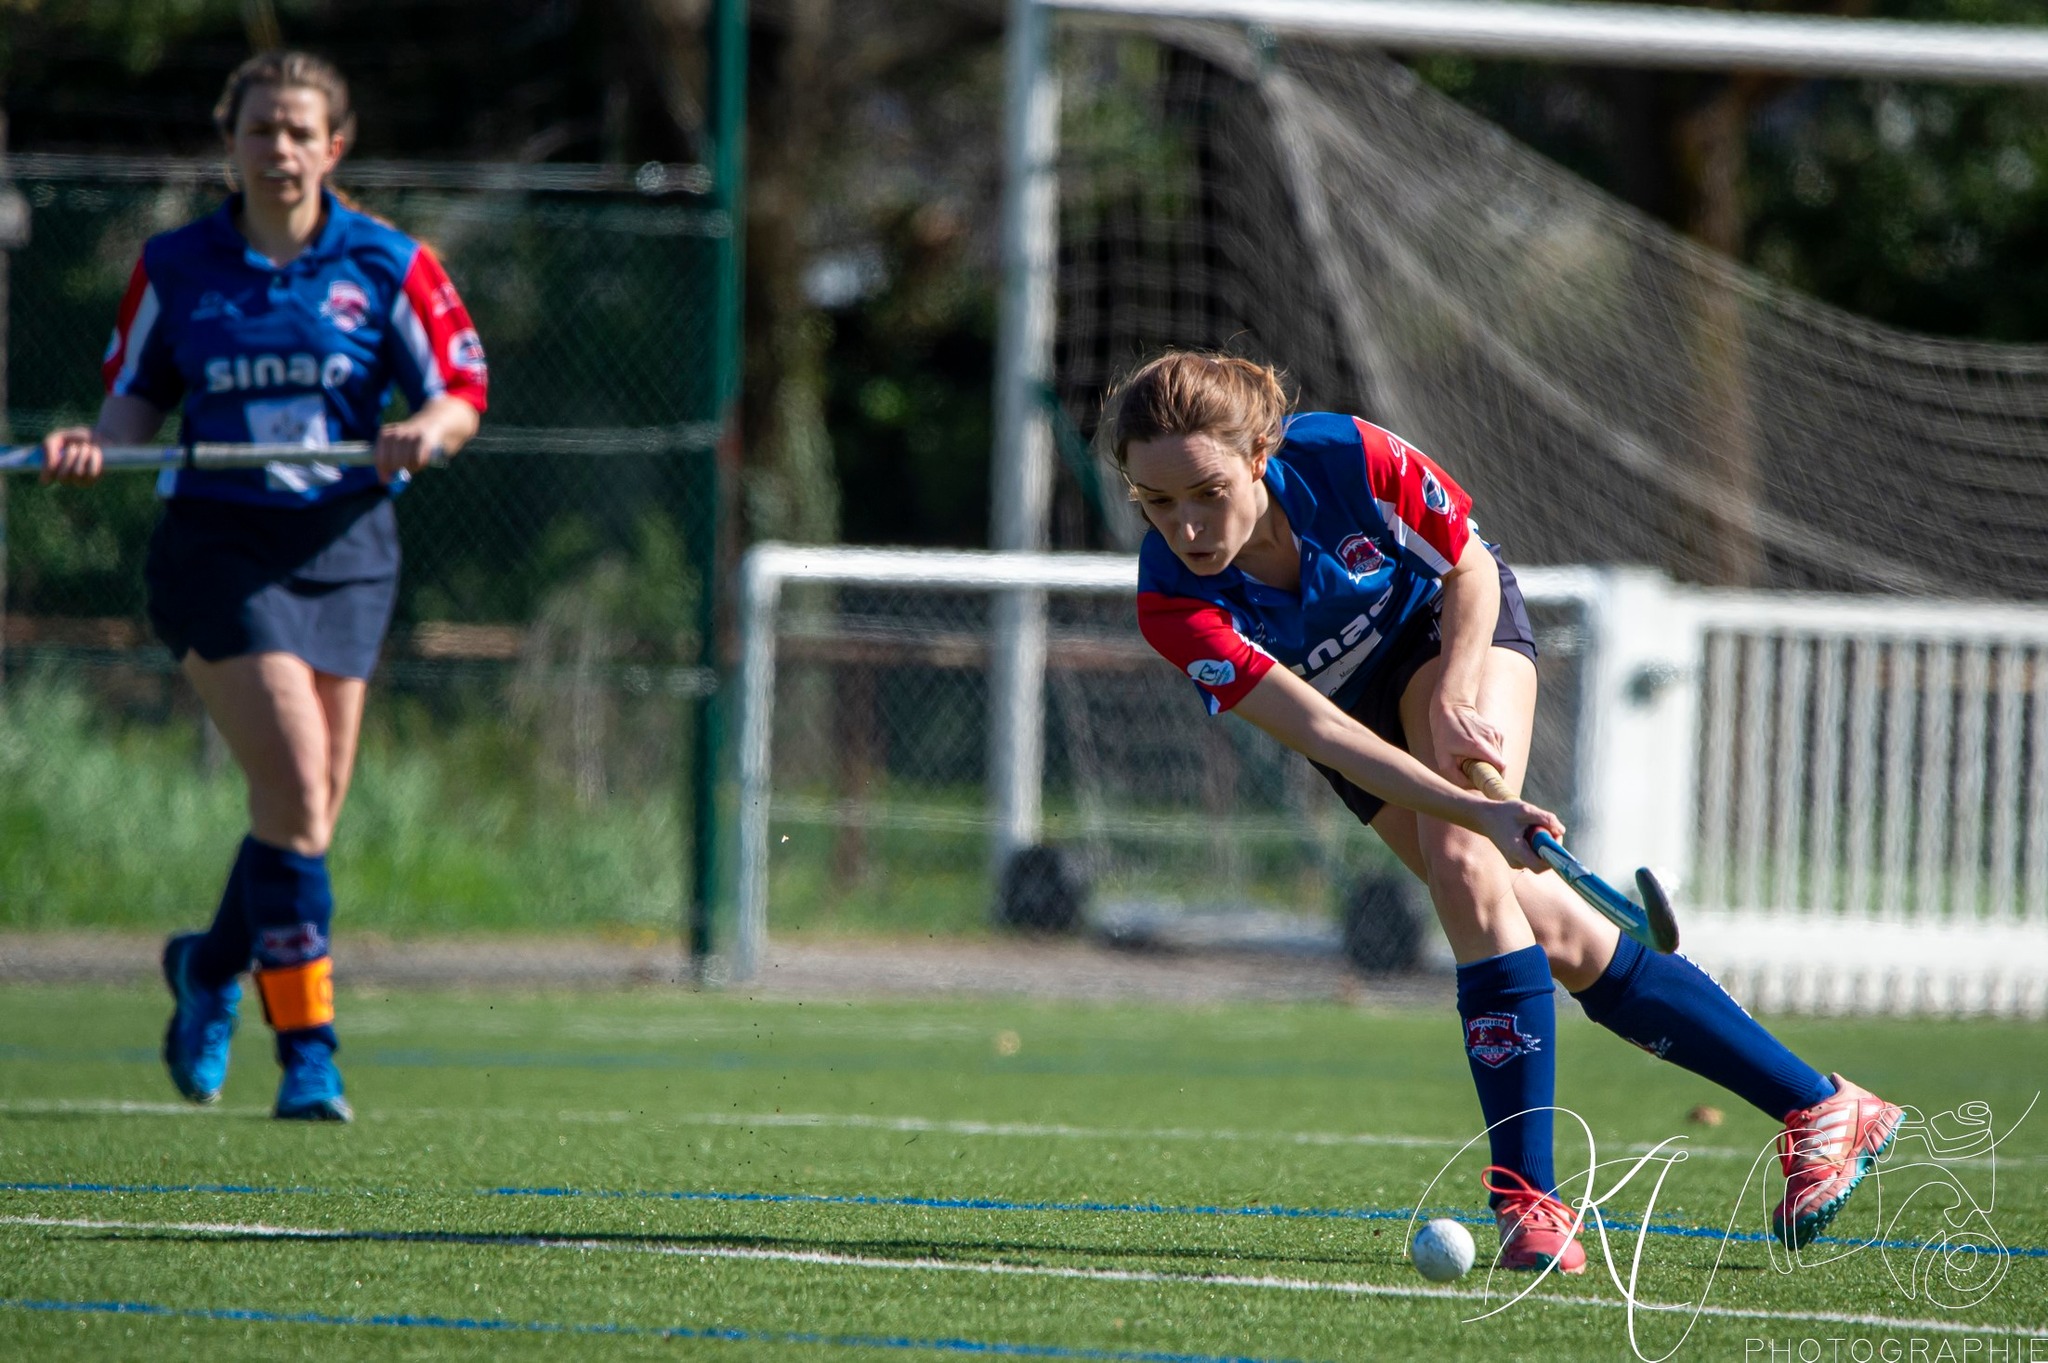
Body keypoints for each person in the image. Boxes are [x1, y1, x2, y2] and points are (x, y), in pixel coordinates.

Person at [1114, 351, 1901, 1269]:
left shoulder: (1345, 457)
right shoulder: (1171, 599)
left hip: (1455, 631)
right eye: (1157, 504)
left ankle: (1528, 1198)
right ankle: (1821, 1105)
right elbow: (1324, 731)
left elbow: (1469, 567)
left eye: (1206, 490)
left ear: (1258, 452)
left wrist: (1453, 687)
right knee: (1556, 932)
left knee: (1462, 869)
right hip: (1354, 722)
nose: (1187, 525)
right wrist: (1475, 806)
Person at [40, 50, 487, 1121]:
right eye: (258, 131)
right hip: (219, 551)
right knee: (290, 781)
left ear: (334, 146)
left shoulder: (388, 263)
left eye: (298, 132)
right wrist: (92, 448)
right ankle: (310, 1051)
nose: (277, 150)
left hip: (345, 547)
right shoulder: (177, 265)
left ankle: (208, 964)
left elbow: (459, 390)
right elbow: (131, 408)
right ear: (229, 143)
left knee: (308, 811)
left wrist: (423, 432)